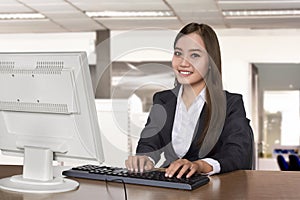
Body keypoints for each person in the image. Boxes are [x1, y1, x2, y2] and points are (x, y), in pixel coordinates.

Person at [125, 22, 254, 178]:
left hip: (212, 190)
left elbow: (238, 153)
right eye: (178, 53)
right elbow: (149, 143)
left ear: (211, 62)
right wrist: (144, 159)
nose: (183, 63)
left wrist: (200, 165)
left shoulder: (230, 104)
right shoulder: (163, 100)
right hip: (171, 187)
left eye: (194, 55)